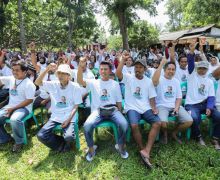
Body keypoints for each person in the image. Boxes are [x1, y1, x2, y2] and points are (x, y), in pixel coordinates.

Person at [77, 59, 129, 162]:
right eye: (101, 69)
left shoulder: (115, 84)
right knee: (87, 126)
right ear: (99, 71)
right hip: (98, 111)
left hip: (113, 110)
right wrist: (80, 66)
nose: (103, 71)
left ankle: (120, 145)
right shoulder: (93, 82)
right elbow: (80, 81)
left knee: (124, 124)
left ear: (110, 71)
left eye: (105, 69)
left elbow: (119, 100)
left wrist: (120, 112)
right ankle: (91, 149)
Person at [116, 55, 161, 169]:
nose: (138, 69)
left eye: (141, 67)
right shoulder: (128, 78)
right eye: (136, 67)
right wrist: (122, 61)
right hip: (132, 107)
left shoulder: (148, 81)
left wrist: (154, 107)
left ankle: (147, 150)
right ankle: (141, 148)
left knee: (157, 123)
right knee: (134, 125)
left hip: (146, 108)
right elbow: (118, 74)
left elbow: (151, 98)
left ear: (145, 69)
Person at [35, 63, 82, 152]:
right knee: (41, 135)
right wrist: (47, 69)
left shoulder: (75, 86)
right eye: (59, 73)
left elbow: (76, 105)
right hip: (55, 116)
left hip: (69, 116)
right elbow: (37, 82)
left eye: (63, 73)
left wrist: (68, 120)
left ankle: (67, 142)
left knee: (69, 137)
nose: (60, 75)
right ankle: (60, 144)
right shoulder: (54, 84)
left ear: (68, 75)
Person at [185, 42, 220, 149]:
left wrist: (209, 107)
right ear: (197, 68)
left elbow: (211, 97)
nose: (202, 70)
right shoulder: (191, 75)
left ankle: (215, 138)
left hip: (205, 104)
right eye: (200, 68)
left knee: (218, 116)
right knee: (194, 117)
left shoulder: (209, 81)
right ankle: (198, 136)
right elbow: (190, 63)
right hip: (192, 105)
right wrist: (191, 52)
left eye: (204, 68)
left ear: (206, 70)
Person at [152, 58, 193, 145]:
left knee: (189, 121)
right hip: (161, 105)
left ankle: (174, 133)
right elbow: (154, 81)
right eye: (169, 69)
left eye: (173, 69)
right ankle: (165, 134)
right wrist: (161, 64)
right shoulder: (159, 79)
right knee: (163, 122)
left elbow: (179, 97)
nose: (171, 71)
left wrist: (177, 108)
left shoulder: (176, 81)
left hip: (174, 105)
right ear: (164, 70)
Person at [0, 61, 36, 152]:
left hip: (24, 108)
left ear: (25, 71)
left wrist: (13, 109)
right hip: (11, 106)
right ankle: (5, 138)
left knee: (14, 120)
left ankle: (19, 142)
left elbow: (29, 100)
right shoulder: (12, 78)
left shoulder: (29, 84)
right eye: (13, 69)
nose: (14, 72)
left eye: (17, 70)